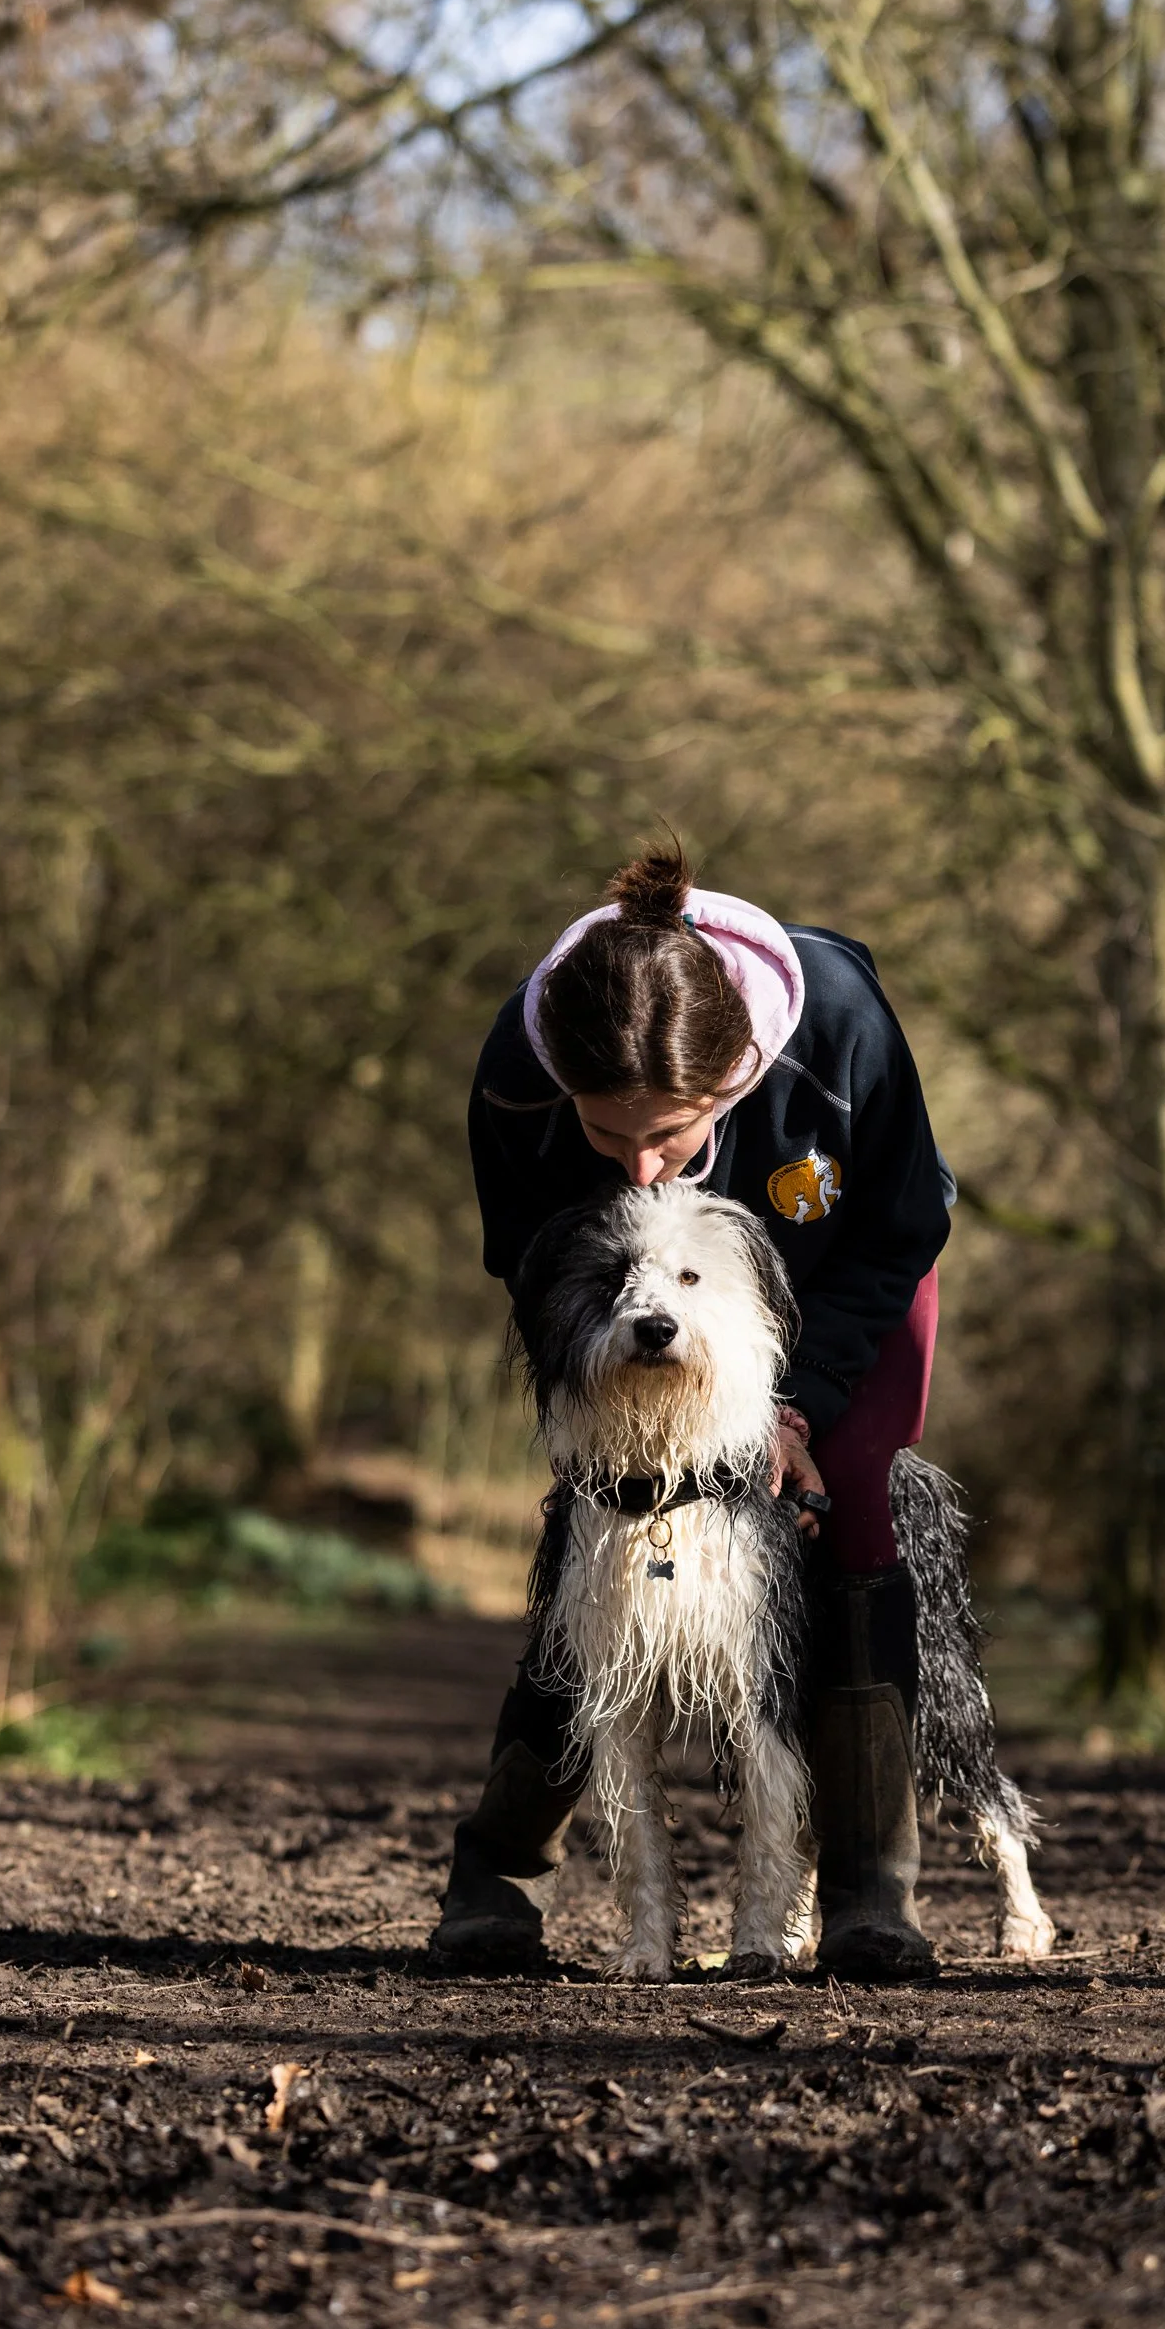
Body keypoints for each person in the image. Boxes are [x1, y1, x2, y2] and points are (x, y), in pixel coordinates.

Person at [431, 842, 954, 1980]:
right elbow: (528, 1270)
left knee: (856, 1515)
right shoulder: (515, 1074)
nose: (637, 1168)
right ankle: (499, 1875)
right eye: (605, 1135)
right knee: (601, 1540)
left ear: (736, 1077)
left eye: (667, 1133)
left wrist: (797, 1406)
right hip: (637, 1305)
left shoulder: (840, 1034)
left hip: (846, 1284)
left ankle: (869, 1890)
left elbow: (903, 1222)